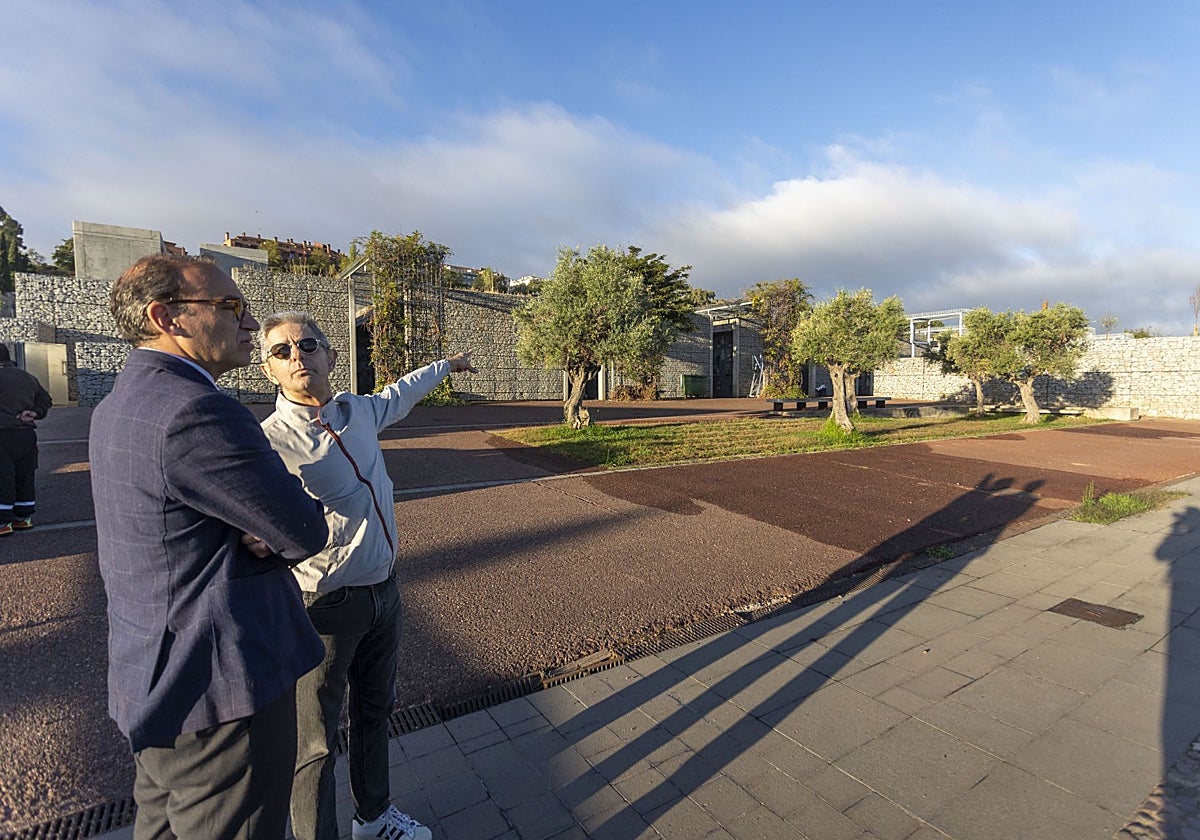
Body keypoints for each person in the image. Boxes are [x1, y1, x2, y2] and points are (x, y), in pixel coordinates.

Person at [90, 256, 330, 840]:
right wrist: (275, 530)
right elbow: (302, 528)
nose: (248, 324)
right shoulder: (198, 409)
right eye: (230, 307)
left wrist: (257, 528)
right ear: (164, 315)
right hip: (222, 690)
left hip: (153, 678)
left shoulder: (118, 404)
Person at [255, 310, 475, 840]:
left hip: (385, 591)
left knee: (376, 714)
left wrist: (448, 364)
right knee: (314, 745)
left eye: (307, 345)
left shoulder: (359, 411)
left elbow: (404, 389)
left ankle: (373, 821)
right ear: (268, 371)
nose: (297, 356)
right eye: (281, 352)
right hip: (325, 606)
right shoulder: (268, 441)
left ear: (330, 356)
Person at [0, 342, 52, 536]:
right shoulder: (28, 378)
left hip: (2, 435)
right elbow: (45, 400)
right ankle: (23, 518)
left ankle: (3, 522)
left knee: (3, 477)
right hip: (26, 435)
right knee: (24, 475)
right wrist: (34, 412)